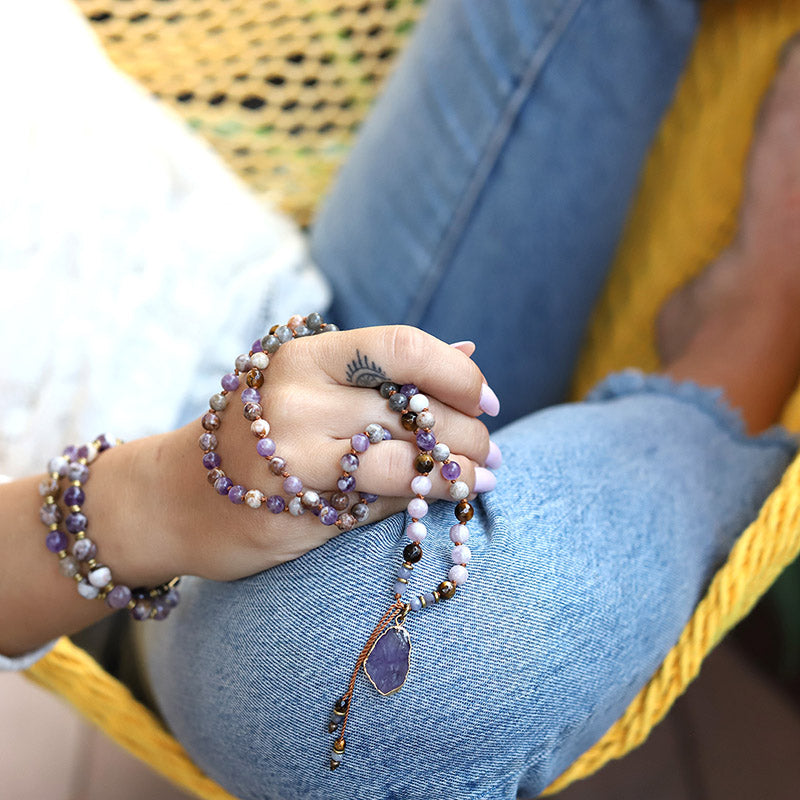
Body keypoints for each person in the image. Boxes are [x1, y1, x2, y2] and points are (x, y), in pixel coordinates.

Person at [1, 1, 798, 798]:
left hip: (304, 303)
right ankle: (737, 350)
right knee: (357, 693)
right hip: (145, 577)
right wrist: (170, 495)